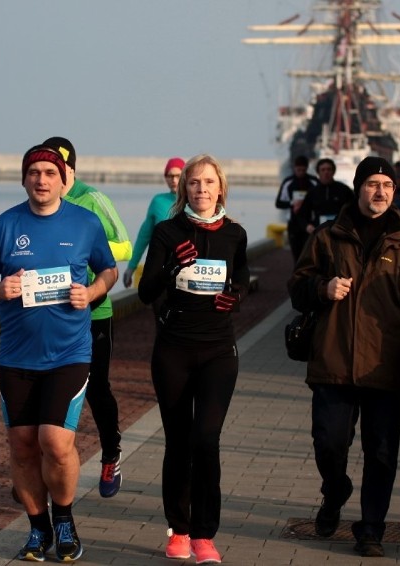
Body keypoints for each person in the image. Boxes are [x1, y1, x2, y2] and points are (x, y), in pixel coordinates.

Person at [0, 143, 117, 562]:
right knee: (21, 445)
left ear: (64, 179)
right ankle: (38, 529)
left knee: (54, 440)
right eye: (34, 173)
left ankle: (65, 520)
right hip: (16, 356)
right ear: (24, 179)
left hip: (69, 353)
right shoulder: (5, 225)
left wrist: (92, 292)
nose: (42, 180)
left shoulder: (85, 223)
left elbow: (109, 269)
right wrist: (0, 288)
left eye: (50, 173)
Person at [288, 156, 400, 558]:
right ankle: (334, 492)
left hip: (385, 368)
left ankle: (371, 528)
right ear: (358, 188)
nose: (380, 191)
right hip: (333, 361)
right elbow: (296, 286)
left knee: (381, 453)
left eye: (387, 185)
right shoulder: (328, 237)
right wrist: (322, 287)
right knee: (329, 444)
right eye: (372, 184)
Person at [138, 154, 249, 564]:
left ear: (220, 188)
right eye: (193, 183)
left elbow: (241, 281)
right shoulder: (168, 232)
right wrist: (171, 267)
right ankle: (179, 529)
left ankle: (205, 535)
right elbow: (147, 291)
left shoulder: (235, 234)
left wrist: (234, 295)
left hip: (219, 350)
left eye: (208, 183)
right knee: (179, 441)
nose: (200, 190)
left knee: (207, 439)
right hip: (174, 350)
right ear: (183, 188)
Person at [42, 136, 133, 498]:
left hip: (95, 312)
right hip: (51, 314)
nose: (51, 178)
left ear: (71, 170)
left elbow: (124, 244)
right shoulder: (40, 204)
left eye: (58, 170)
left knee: (95, 388)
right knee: (45, 389)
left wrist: (82, 252)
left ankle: (111, 454)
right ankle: (40, 464)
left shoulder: (92, 200)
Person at [123, 157, 184, 289]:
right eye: (170, 176)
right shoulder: (158, 201)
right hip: (161, 268)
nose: (173, 180)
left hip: (186, 268)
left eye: (178, 175)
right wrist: (131, 267)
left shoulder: (194, 201)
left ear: (185, 176)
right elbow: (143, 237)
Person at [275, 154, 319, 263]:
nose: (301, 173)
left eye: (303, 170)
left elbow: (320, 202)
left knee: (310, 257)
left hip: (310, 224)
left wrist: (306, 203)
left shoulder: (313, 182)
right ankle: (298, 278)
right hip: (294, 224)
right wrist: (292, 204)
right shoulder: (288, 182)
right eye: (298, 170)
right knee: (297, 257)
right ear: (294, 168)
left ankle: (309, 279)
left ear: (307, 168)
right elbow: (278, 203)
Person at [298, 157, 354, 233]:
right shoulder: (313, 192)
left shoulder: (344, 190)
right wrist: (307, 226)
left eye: (329, 169)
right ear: (318, 173)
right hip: (319, 232)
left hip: (340, 232)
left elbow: (354, 209)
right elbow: (302, 214)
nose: (326, 172)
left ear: (333, 172)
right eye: (323, 170)